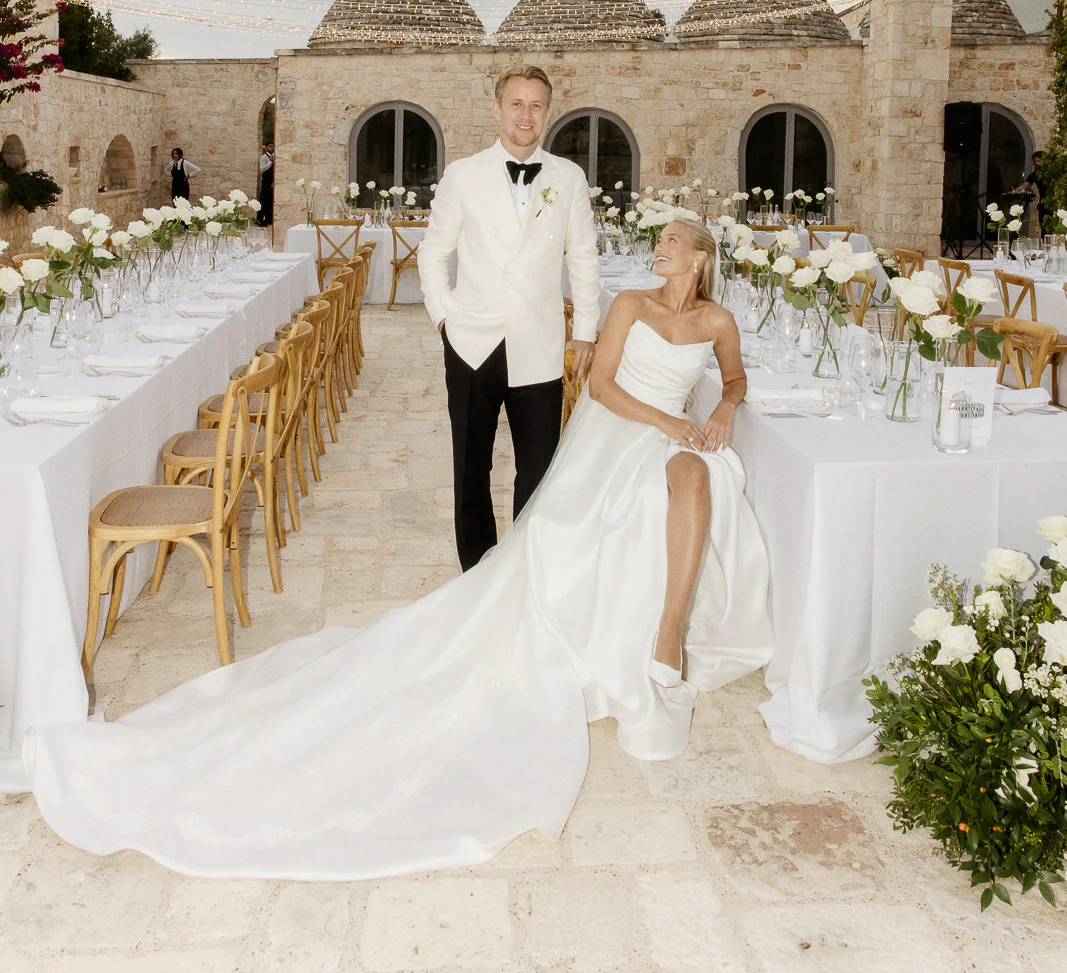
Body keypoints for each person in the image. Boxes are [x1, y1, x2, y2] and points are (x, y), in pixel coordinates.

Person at [22, 218, 772, 881]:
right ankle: (651, 630)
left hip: (673, 438)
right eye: (662, 239)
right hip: (621, 431)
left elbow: (732, 381)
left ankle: (665, 633)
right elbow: (603, 388)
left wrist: (725, 411)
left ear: (700, 259)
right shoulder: (630, 305)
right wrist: (669, 424)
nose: (660, 248)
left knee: (698, 478)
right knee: (671, 476)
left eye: (674, 241)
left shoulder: (719, 320)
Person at [417, 65, 601, 570]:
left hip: (539, 344)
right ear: (496, 109)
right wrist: (443, 319)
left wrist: (584, 332)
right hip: (472, 341)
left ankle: (524, 571)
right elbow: (432, 253)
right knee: (471, 470)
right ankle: (477, 575)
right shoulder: (463, 174)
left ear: (548, 112)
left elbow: (584, 259)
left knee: (538, 472)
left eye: (537, 105)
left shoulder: (568, 177)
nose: (527, 115)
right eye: (516, 104)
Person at [257, 142, 275, 227]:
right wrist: (270, 163)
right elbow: (262, 169)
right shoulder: (263, 158)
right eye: (270, 146)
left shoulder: (275, 156)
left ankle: (269, 219)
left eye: (273, 146)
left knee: (270, 200)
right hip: (266, 181)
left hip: (272, 181)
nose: (272, 148)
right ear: (267, 147)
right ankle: (259, 218)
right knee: (264, 200)